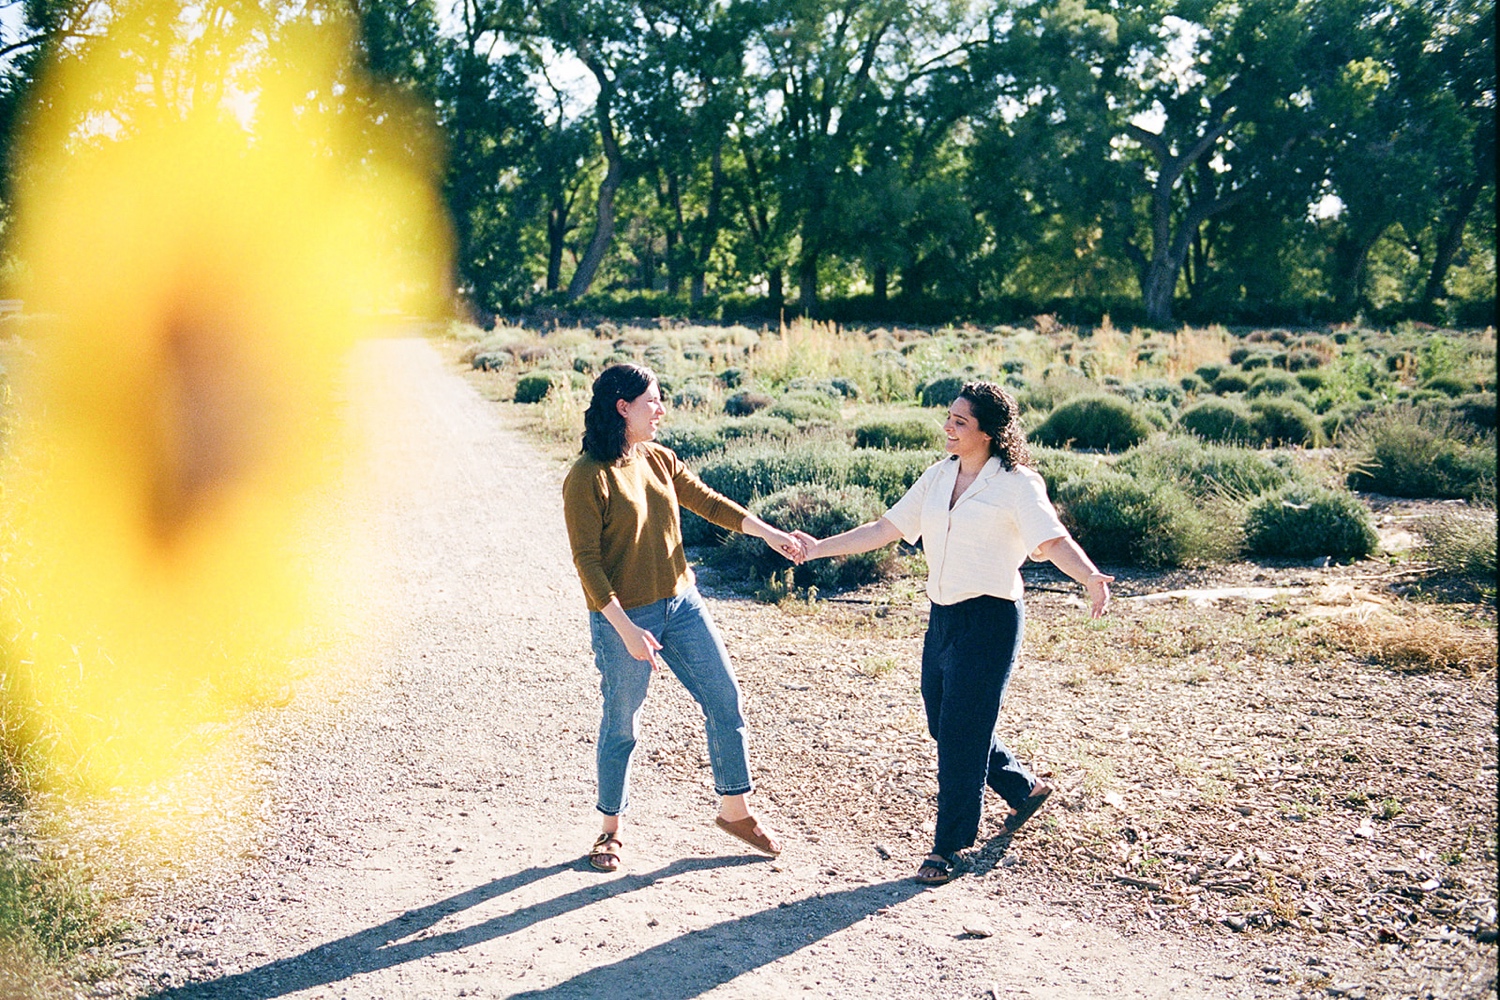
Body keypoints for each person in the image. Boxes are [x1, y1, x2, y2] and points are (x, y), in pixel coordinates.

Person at [794, 381, 1112, 885]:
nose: (948, 426)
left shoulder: (1017, 483)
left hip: (990, 620)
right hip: (942, 618)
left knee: (961, 737)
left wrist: (1090, 576)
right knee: (945, 724)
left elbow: (1052, 540)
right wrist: (816, 549)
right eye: (949, 417)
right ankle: (1023, 788)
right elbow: (886, 528)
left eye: (960, 422)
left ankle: (950, 848)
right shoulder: (938, 476)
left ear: (988, 432)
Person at [562, 363, 805, 872]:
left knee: (724, 698)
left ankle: (735, 810)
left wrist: (767, 532)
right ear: (622, 408)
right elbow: (587, 563)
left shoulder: (658, 458)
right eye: (654, 401)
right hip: (624, 617)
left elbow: (707, 502)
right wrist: (627, 631)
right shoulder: (586, 477)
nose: (662, 409)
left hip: (682, 603)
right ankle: (610, 829)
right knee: (622, 722)